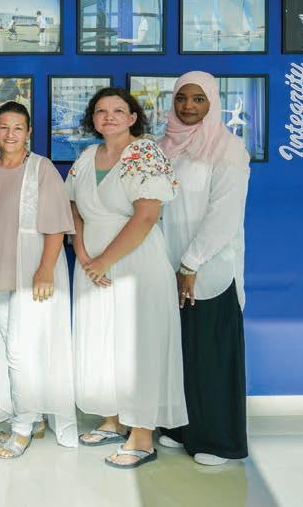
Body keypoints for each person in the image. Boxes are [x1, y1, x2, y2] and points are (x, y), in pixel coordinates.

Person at [66, 87, 187, 469]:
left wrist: (104, 260)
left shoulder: (145, 152)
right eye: (101, 111)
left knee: (139, 345)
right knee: (102, 340)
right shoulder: (87, 156)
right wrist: (83, 254)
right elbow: (73, 207)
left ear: (133, 117)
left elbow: (147, 216)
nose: (109, 116)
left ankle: (142, 436)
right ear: (93, 119)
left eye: (118, 110)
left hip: (136, 263)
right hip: (91, 265)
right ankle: (113, 419)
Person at [0, 102, 78, 459]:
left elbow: (57, 225)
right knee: (11, 347)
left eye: (18, 128)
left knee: (19, 350)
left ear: (29, 132)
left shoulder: (41, 169)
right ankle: (33, 417)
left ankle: (22, 428)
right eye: (3, 127)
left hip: (32, 271)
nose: (10, 134)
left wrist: (45, 269)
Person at [157, 71, 251, 466]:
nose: (188, 106)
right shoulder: (163, 146)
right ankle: (182, 427)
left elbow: (224, 215)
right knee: (180, 351)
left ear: (212, 102)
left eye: (198, 99)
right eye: (182, 98)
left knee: (211, 355)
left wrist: (191, 262)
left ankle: (217, 440)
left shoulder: (229, 149)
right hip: (167, 266)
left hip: (208, 268)